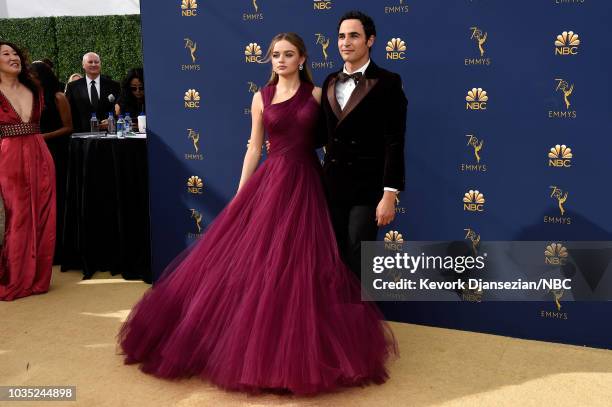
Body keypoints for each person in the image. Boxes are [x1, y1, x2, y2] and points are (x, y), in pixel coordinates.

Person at [118, 33, 397, 395]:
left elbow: (334, 145)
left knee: (304, 265)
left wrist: (361, 181)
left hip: (308, 183)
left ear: (302, 59)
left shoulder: (316, 94)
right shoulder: (260, 97)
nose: (280, 60)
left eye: (288, 54)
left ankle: (302, 347)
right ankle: (250, 345)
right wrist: (240, 195)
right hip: (272, 182)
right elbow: (253, 148)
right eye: (275, 55)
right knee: (259, 263)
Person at [318, 11, 407, 279]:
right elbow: (322, 134)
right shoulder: (330, 81)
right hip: (331, 186)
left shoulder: (389, 82)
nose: (346, 42)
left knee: (358, 253)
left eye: (354, 36)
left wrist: (389, 194)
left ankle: (357, 319)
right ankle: (333, 319)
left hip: (368, 188)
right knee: (330, 255)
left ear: (370, 40)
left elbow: (395, 140)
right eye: (342, 36)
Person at [0, 42, 56, 301]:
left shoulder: (34, 87)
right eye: (5, 54)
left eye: (15, 54)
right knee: (18, 215)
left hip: (39, 152)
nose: (13, 58)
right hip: (9, 156)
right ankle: (15, 279)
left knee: (44, 213)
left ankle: (38, 278)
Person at [30, 61, 73, 265]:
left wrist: (42, 137)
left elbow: (68, 127)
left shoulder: (58, 97)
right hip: (35, 152)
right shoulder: (31, 98)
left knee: (58, 198)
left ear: (43, 77)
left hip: (56, 152)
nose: (30, 78)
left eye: (33, 76)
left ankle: (60, 248)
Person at [65, 52, 120, 132]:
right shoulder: (73, 87)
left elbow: (120, 107)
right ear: (83, 65)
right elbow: (69, 112)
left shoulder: (113, 85)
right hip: (82, 135)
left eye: (97, 62)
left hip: (108, 133)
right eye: (90, 62)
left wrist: (113, 120)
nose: (94, 64)